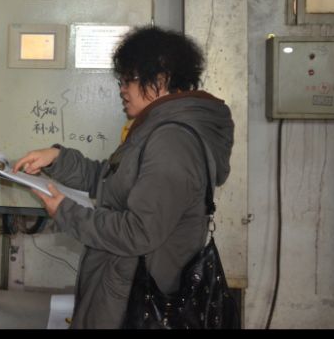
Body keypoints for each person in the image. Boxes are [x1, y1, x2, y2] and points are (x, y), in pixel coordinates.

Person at [13, 26, 234, 329]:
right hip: (122, 288)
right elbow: (112, 180)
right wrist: (57, 159)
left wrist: (66, 212)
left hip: (134, 302)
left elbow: (138, 232)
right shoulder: (157, 129)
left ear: (160, 80)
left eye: (128, 79)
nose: (121, 89)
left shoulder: (172, 142)